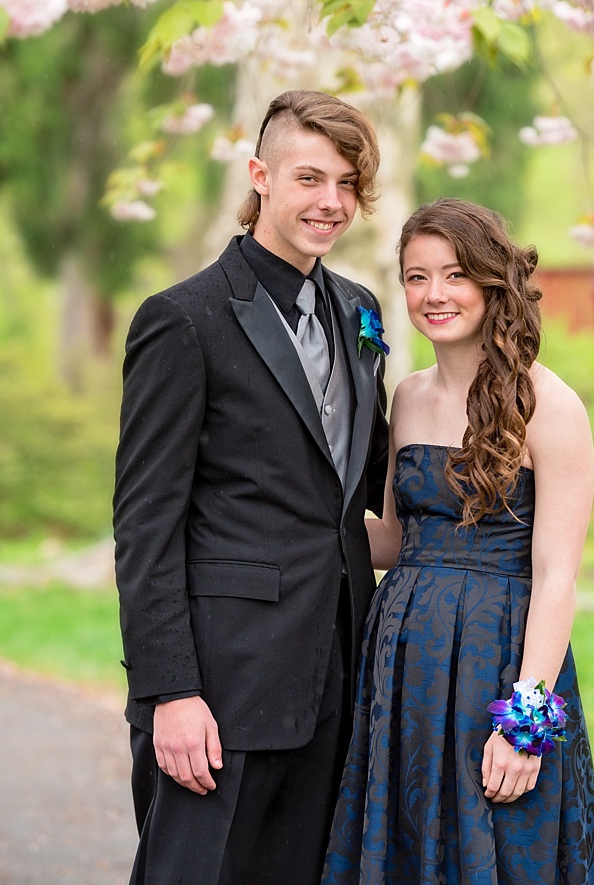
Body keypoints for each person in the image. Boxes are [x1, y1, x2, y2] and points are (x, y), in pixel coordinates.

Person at [113, 89, 391, 885]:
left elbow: (365, 484)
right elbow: (145, 523)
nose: (330, 202)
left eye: (346, 182)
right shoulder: (184, 319)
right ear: (260, 175)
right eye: (309, 178)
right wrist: (170, 691)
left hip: (338, 672)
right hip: (219, 690)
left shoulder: (360, 311)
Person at [323, 199, 594, 884]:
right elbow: (392, 536)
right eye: (416, 277)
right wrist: (288, 526)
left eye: (453, 275)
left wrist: (526, 723)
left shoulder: (550, 404)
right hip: (405, 668)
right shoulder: (408, 397)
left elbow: (558, 575)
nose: (434, 294)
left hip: (499, 664)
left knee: (500, 850)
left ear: (490, 281)